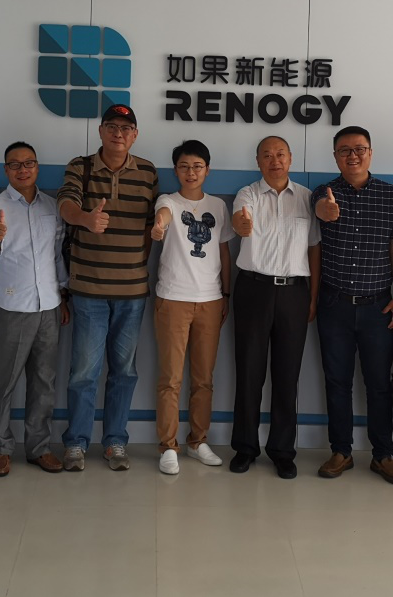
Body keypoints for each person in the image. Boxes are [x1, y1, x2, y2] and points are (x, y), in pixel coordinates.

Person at [57, 104, 159, 471]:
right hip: (89, 289)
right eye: (112, 126)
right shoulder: (80, 166)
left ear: (135, 135)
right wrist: (85, 219)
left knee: (124, 371)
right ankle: (76, 443)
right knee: (84, 372)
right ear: (100, 131)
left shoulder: (147, 172)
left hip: (132, 291)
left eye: (126, 128)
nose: (119, 133)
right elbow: (65, 205)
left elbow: (149, 228)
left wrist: (134, 264)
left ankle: (115, 441)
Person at [311, 127, 393, 485]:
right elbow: (320, 212)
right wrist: (326, 210)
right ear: (335, 156)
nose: (352, 156)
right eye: (344, 150)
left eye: (359, 149)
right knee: (337, 381)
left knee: (379, 384)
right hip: (334, 303)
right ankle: (341, 451)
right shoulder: (324, 192)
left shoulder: (390, 194)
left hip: (378, 305)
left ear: (370, 152)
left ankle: (383, 455)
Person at [228, 135, 320, 479]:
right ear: (258, 162)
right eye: (267, 155)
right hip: (254, 289)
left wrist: (313, 296)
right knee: (249, 372)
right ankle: (245, 447)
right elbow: (240, 220)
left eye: (280, 154)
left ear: (290, 158)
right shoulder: (248, 194)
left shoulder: (308, 198)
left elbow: (314, 249)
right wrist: (241, 225)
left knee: (287, 375)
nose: (274, 160)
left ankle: (282, 450)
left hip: (295, 293)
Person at [0, 142, 70, 477]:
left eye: (28, 163)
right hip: (12, 306)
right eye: (15, 164)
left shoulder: (52, 206)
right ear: (6, 170)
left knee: (44, 381)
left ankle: (39, 448)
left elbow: (56, 254)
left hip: (49, 305)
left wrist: (63, 294)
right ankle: (0, 449)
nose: (22, 169)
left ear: (37, 167)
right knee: (3, 383)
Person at [151, 139, 233, 475]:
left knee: (203, 379)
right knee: (170, 378)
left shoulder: (218, 206)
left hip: (211, 301)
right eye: (184, 166)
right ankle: (167, 446)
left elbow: (224, 251)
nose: (191, 172)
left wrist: (226, 293)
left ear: (207, 170)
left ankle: (197, 441)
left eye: (197, 166)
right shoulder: (168, 200)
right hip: (173, 299)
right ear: (176, 170)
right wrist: (159, 226)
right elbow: (164, 216)